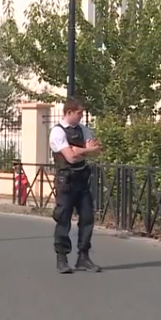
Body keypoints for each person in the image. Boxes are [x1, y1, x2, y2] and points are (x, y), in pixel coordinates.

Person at [49, 98, 103, 274]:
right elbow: (70, 158)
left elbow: (95, 150)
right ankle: (62, 258)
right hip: (66, 180)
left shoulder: (84, 130)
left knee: (87, 218)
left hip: (82, 179)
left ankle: (83, 257)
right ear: (69, 112)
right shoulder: (57, 132)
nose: (82, 116)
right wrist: (83, 151)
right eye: (79, 113)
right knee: (63, 219)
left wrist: (78, 150)